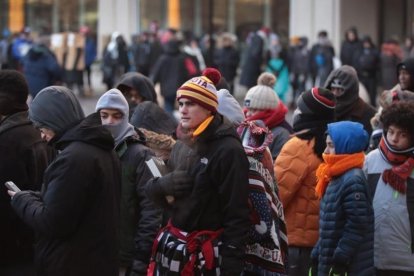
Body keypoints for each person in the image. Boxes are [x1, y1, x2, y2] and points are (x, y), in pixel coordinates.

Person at [6, 86, 121, 275]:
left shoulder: (74, 158)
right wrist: (34, 196)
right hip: (96, 260)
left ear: (54, 120)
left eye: (42, 128)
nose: (42, 136)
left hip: (73, 264)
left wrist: (20, 199)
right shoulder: (100, 148)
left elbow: (52, 222)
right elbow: (70, 202)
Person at [145, 68, 250, 275]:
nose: (182, 110)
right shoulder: (182, 143)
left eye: (191, 104)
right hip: (174, 248)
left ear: (209, 109)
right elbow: (164, 202)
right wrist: (161, 186)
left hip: (205, 255)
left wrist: (231, 263)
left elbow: (236, 214)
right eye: (181, 103)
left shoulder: (229, 150)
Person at [95, 89, 162, 275]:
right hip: (94, 253)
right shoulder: (92, 150)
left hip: (125, 256)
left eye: (117, 116)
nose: (109, 121)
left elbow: (152, 210)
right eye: (104, 115)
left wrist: (141, 258)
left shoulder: (141, 155)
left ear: (125, 118)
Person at [275, 87, 336, 276]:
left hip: (294, 243)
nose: (297, 113)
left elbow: (277, 195)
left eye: (300, 109)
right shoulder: (332, 144)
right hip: (322, 241)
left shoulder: (299, 146)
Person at [0, 70, 53, 276]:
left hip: (13, 248)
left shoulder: (7, 141)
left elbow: (4, 205)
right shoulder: (39, 129)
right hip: (36, 239)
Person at [310, 121, 374, 276]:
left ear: (347, 145)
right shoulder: (335, 175)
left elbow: (357, 225)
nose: (326, 151)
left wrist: (340, 259)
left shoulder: (352, 179)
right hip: (332, 259)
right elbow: (330, 224)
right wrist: (317, 252)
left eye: (331, 145)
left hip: (349, 266)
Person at [364, 101, 414, 275]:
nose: (394, 138)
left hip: (407, 260)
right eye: (391, 132)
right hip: (373, 255)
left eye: (402, 134)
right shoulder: (371, 160)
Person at [237, 120, 288, 275]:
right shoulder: (261, 156)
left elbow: (264, 219)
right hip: (267, 247)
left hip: (257, 250)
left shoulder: (250, 162)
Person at [243, 72, 293, 160]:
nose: (248, 114)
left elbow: (277, 168)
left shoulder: (282, 134)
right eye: (248, 109)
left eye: (254, 110)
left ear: (267, 110)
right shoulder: (243, 127)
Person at [324, 65, 377, 136]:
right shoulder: (326, 111)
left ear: (351, 91)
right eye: (333, 89)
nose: (335, 94)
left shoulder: (370, 116)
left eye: (340, 90)